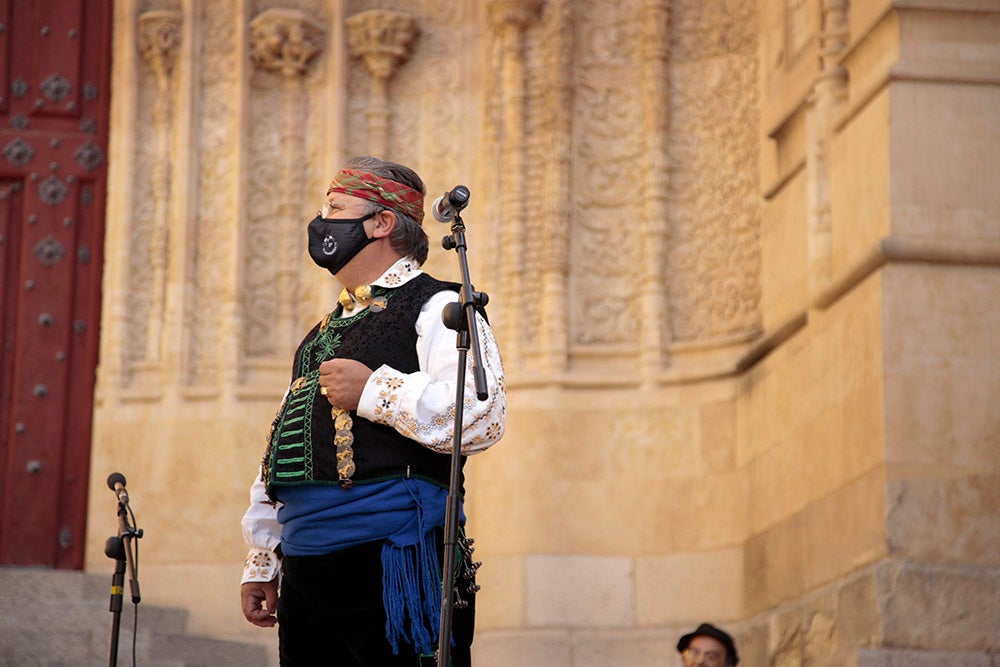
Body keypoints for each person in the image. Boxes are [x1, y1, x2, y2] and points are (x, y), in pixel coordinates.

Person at [239, 156, 506, 666]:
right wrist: (264, 557)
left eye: (336, 208)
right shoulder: (319, 333)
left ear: (381, 223)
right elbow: (284, 448)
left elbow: (482, 412)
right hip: (305, 569)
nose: (322, 222)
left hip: (391, 557)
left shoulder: (438, 307)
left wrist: (374, 391)